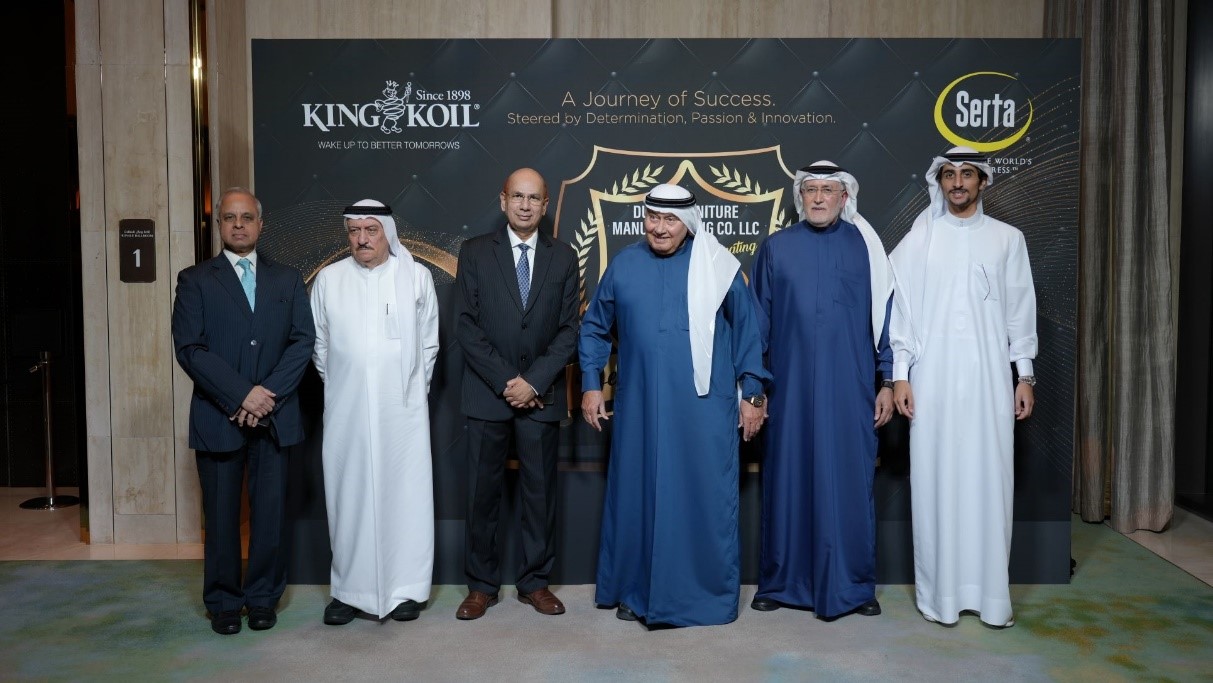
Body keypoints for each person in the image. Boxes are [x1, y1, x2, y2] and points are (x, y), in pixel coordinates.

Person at [579, 183, 771, 627]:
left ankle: (700, 597)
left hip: (704, 407)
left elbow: (748, 334)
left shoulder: (718, 267)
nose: (660, 228)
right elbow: (594, 327)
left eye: (670, 220)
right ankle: (636, 592)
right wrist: (590, 384)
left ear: (688, 224)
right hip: (641, 405)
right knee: (638, 494)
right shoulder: (624, 264)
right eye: (653, 218)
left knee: (701, 496)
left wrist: (753, 394)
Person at [889, 146, 1038, 628]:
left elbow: (1020, 310)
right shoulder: (921, 238)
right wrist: (901, 373)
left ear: (982, 181)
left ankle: (991, 598)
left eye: (967, 174)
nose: (957, 183)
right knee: (935, 483)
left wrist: (1024, 375)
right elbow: (902, 311)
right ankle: (941, 598)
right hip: (931, 382)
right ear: (940, 182)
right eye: (949, 175)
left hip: (990, 382)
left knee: (989, 482)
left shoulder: (1008, 239)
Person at [748, 162, 894, 620]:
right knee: (786, 480)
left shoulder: (867, 248)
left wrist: (888, 380)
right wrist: (755, 389)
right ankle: (781, 581)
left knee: (847, 482)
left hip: (851, 387)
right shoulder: (776, 247)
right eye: (810, 189)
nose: (817, 198)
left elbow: (887, 318)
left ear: (844, 197)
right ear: (800, 196)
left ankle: (853, 585)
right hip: (788, 389)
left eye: (827, 190)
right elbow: (757, 325)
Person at [172, 187, 316, 635]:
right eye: (230, 218)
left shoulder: (287, 279)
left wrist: (265, 395)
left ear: (260, 223)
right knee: (221, 516)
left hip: (275, 415)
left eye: (247, 217)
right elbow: (190, 349)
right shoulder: (195, 280)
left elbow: (303, 341)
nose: (238, 224)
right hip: (219, 416)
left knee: (270, 515)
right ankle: (224, 602)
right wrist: (240, 396)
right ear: (219, 225)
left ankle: (262, 599)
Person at [453, 168, 579, 620]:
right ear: (503, 200)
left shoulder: (564, 257)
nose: (525, 205)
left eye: (534, 198)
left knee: (539, 495)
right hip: (488, 393)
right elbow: (466, 325)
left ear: (545, 205)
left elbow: (569, 331)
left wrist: (534, 382)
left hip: (540, 396)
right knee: (481, 495)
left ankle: (535, 583)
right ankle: (481, 586)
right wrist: (509, 381)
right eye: (518, 197)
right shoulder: (474, 252)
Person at [309, 200, 440, 625]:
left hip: (402, 411)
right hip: (346, 411)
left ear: (387, 232)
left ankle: (406, 590)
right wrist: (349, 384)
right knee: (349, 496)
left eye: (371, 230)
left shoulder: (415, 277)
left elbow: (429, 345)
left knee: (405, 496)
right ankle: (350, 591)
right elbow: (320, 346)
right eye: (354, 231)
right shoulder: (329, 280)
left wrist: (406, 395)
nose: (362, 239)